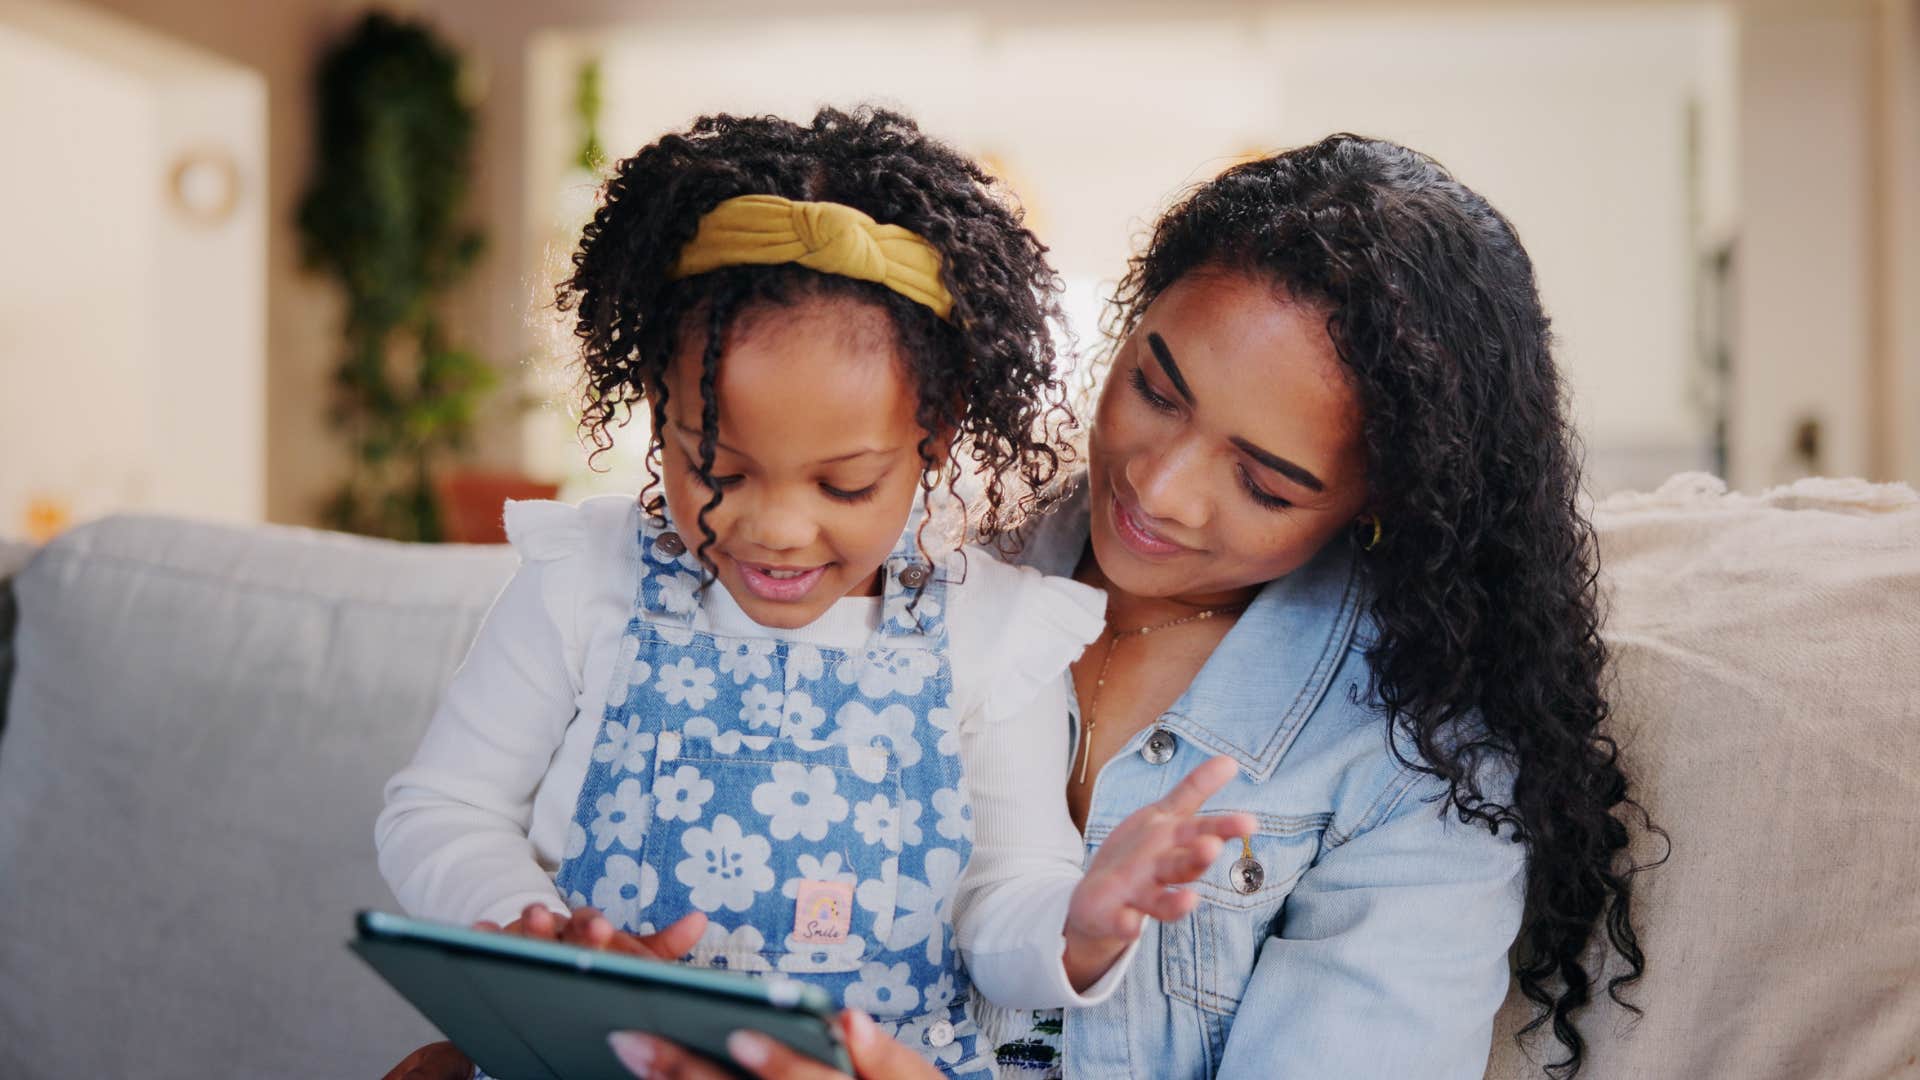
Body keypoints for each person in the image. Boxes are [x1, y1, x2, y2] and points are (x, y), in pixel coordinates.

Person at [623, 132, 1652, 1080]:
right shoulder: (920, 567)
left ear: (1385, 497)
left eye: (1267, 482)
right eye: (1156, 391)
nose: (1158, 490)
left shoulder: (1411, 768)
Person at [374, 107, 1255, 1080]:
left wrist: (1080, 923)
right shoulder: (585, 579)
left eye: (844, 485)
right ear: (657, 409)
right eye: (715, 466)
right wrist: (526, 932)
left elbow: (1005, 896)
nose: (776, 528)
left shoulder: (992, 630)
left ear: (937, 431)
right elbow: (439, 810)